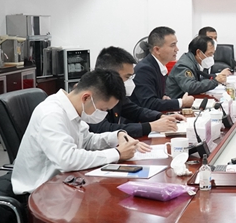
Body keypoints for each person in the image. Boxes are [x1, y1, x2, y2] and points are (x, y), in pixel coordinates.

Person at [11, 69, 146, 194]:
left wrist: (117, 136)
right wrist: (117, 153)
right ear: (86, 98)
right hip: (40, 191)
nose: (103, 114)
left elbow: (87, 141)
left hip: (65, 182)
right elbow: (67, 159)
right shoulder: (52, 114)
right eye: (103, 109)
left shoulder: (73, 109)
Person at [90, 46, 185, 138]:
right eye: (127, 77)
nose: (130, 82)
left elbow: (135, 111)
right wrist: (151, 126)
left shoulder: (115, 93)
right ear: (109, 74)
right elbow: (104, 129)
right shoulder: (91, 96)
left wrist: (160, 116)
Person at [132, 26, 195, 111]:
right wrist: (181, 102)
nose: (177, 49)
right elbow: (149, 103)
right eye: (173, 45)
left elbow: (155, 97)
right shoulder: (144, 69)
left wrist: (163, 98)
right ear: (157, 49)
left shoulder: (158, 66)